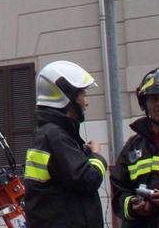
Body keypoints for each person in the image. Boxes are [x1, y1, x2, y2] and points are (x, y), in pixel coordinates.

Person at [23, 60, 107, 228]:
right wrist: (97, 156)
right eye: (83, 95)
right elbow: (88, 180)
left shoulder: (47, 133)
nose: (86, 102)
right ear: (66, 97)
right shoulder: (57, 137)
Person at [110, 68, 159, 228]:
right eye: (153, 99)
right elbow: (119, 192)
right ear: (144, 104)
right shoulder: (132, 147)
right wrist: (132, 206)